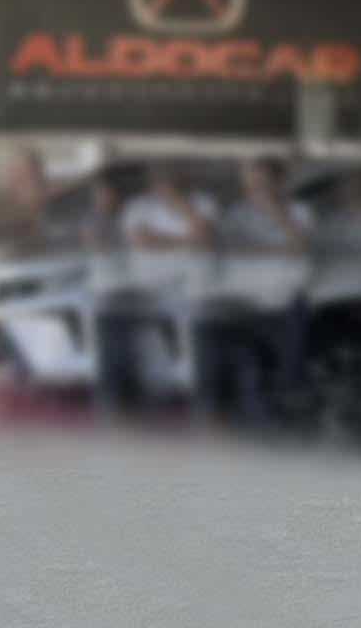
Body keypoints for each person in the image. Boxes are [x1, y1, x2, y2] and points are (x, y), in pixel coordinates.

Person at [196, 153, 315, 430]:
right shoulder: (237, 215)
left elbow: (301, 247)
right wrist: (278, 251)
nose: (256, 190)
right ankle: (225, 424)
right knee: (229, 357)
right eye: (251, 184)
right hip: (242, 305)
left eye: (263, 183)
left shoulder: (300, 211)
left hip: (285, 302)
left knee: (292, 374)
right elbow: (228, 252)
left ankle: (294, 427)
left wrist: (274, 212)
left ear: (279, 182)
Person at [101, 164, 215, 417]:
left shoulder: (202, 202)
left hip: (193, 284)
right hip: (146, 285)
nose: (164, 183)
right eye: (160, 178)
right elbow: (142, 241)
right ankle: (116, 401)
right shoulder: (139, 206)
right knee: (109, 315)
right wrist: (186, 241)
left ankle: (203, 399)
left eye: (170, 178)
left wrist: (176, 203)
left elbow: (204, 237)